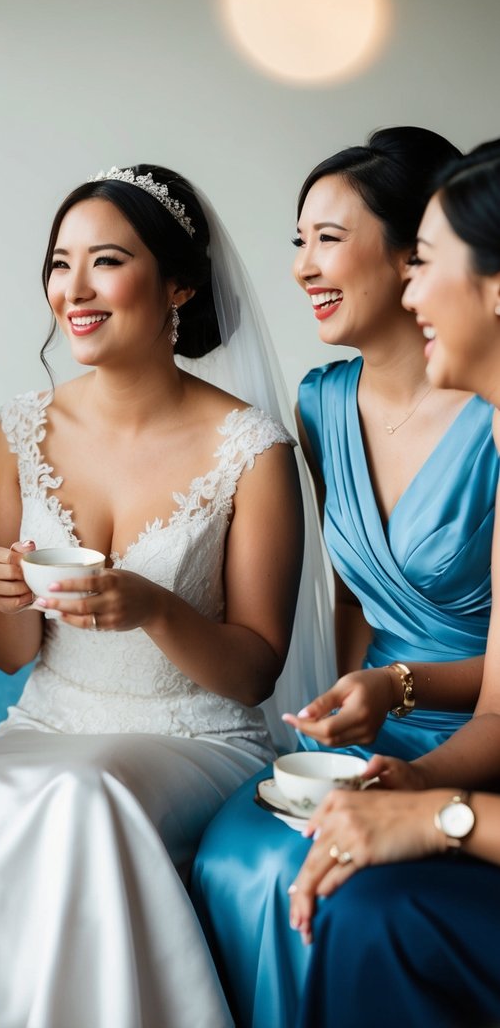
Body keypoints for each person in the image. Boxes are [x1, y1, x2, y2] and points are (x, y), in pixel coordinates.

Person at [0, 162, 326, 1028]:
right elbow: (4, 653)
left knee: (83, 797)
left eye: (105, 261)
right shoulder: (18, 429)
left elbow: (254, 670)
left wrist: (153, 606)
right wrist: (8, 595)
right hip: (47, 723)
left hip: (192, 734)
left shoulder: (253, 450)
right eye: (59, 263)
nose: (74, 289)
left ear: (179, 282)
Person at [190, 128, 498, 1028]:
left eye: (327, 238)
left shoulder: (490, 422)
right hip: (385, 729)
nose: (300, 267)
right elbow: (355, 599)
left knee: (341, 901)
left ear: (413, 258)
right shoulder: (321, 406)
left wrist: (406, 737)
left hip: (472, 741)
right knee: (234, 853)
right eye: (296, 241)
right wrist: (346, 717)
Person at [290, 139, 500, 1028]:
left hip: (469, 765)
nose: (412, 290)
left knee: (370, 914)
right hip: (420, 744)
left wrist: (441, 815)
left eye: (426, 263)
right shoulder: (319, 403)